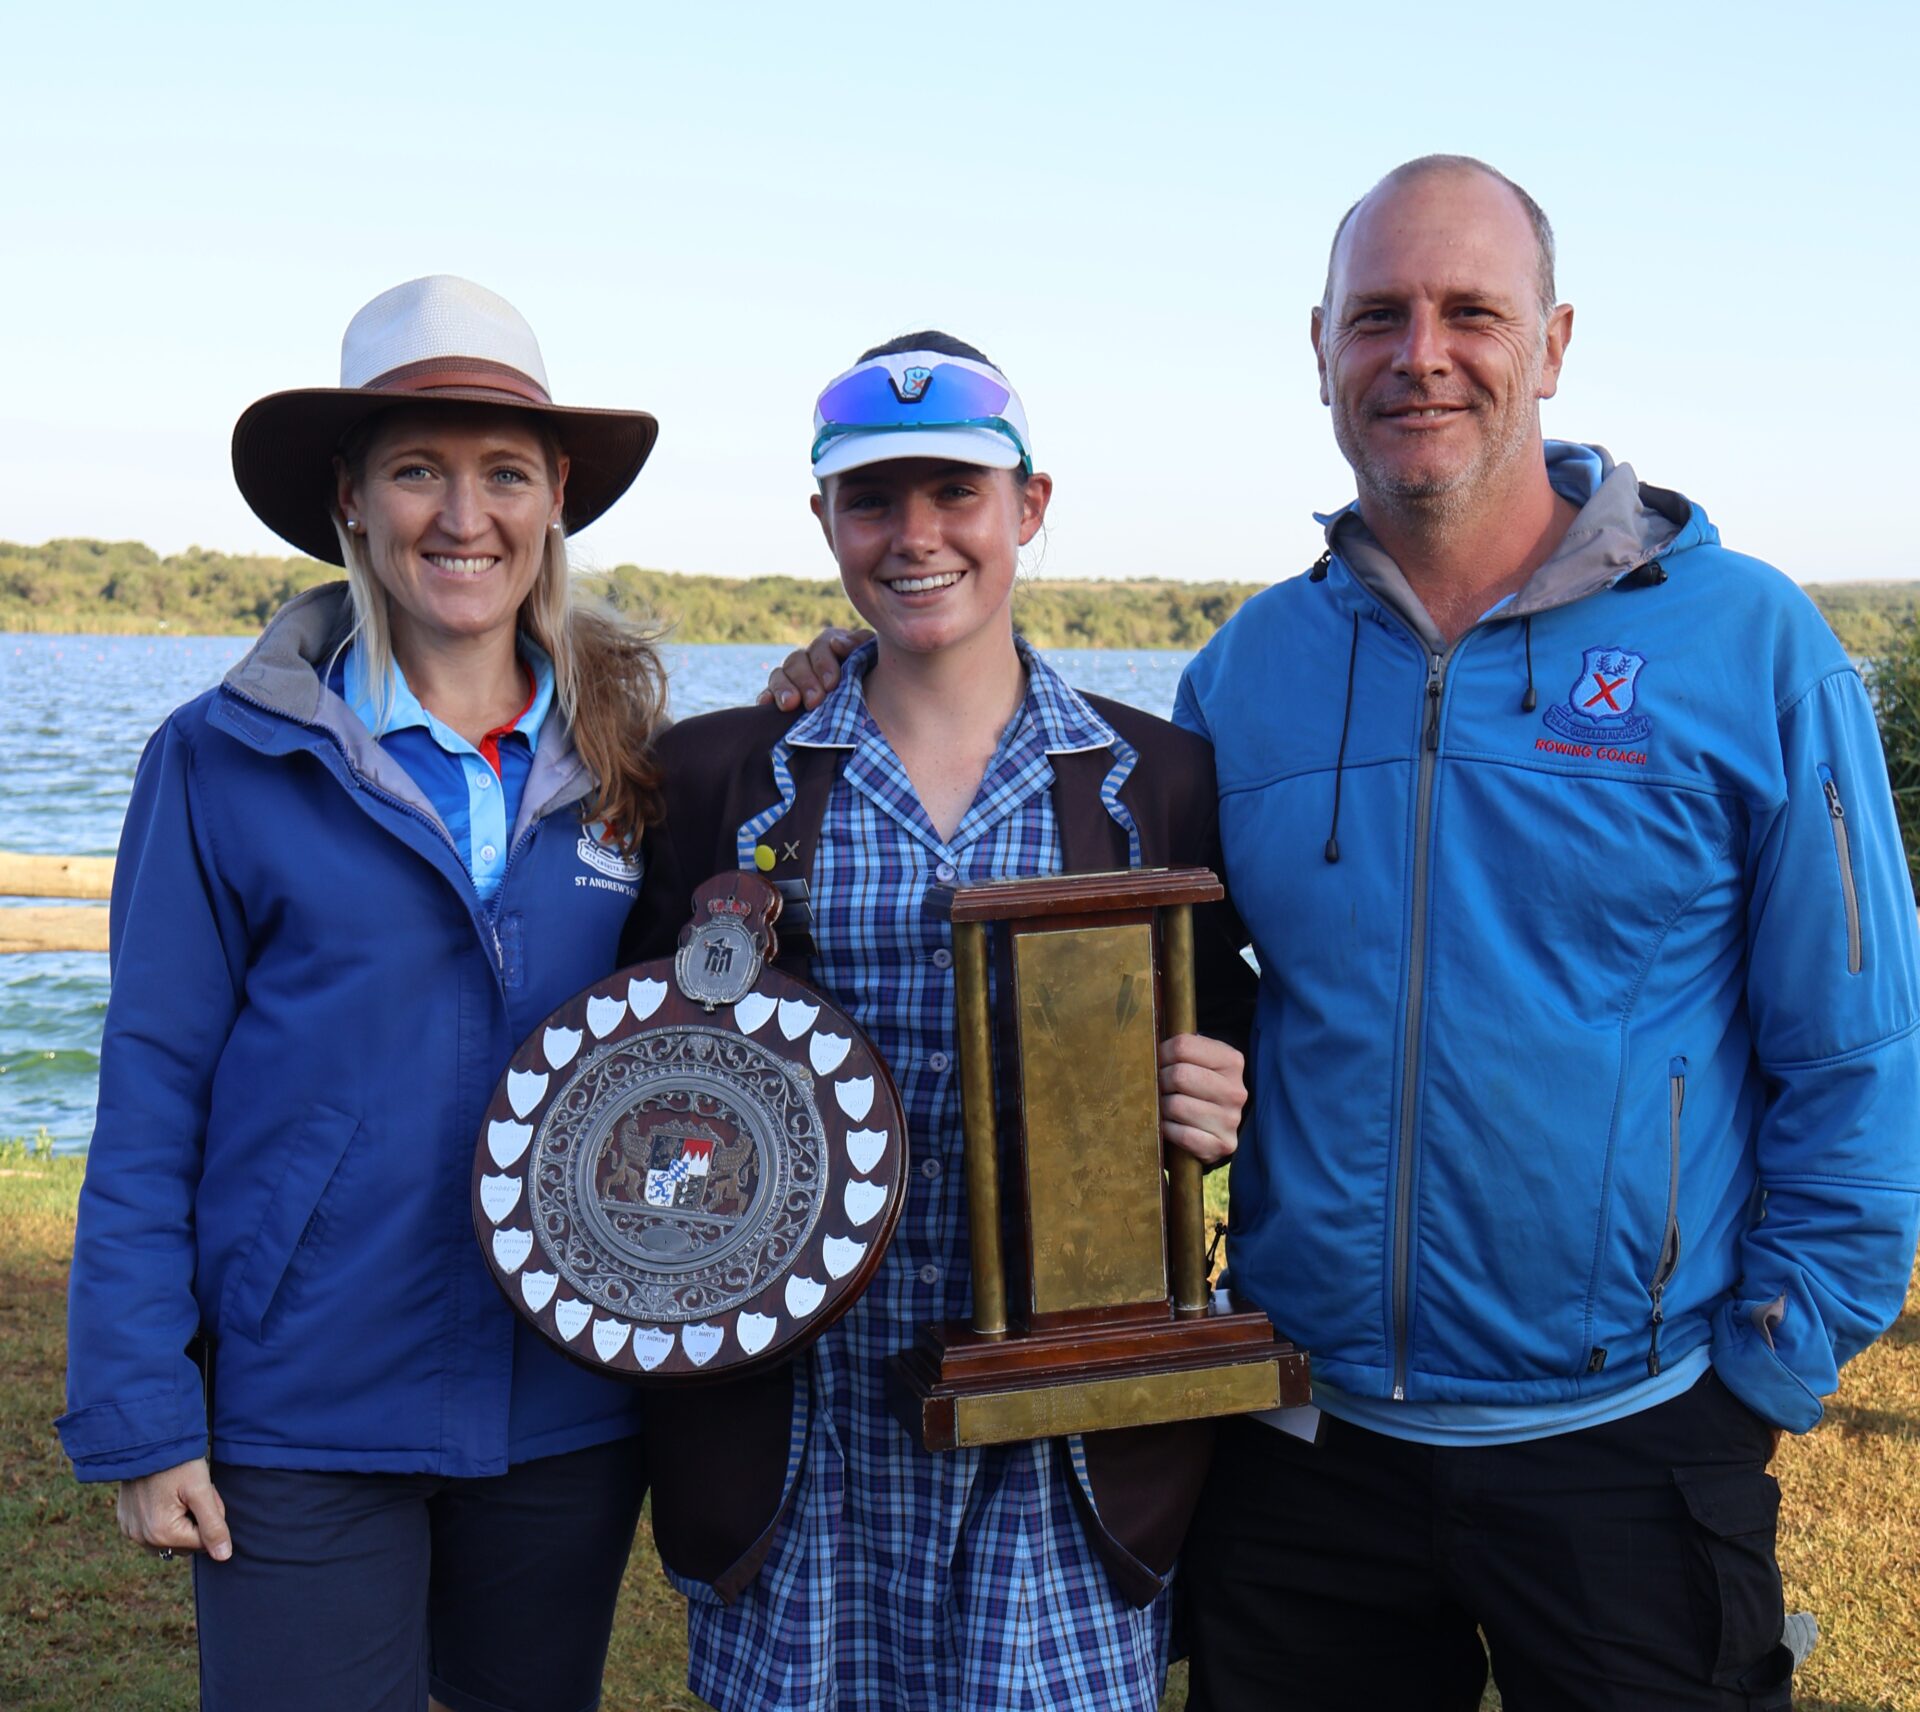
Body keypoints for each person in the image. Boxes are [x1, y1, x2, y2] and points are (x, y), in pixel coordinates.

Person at [1166, 158, 1920, 1709]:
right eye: (1378, 315)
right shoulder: (1248, 673)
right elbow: (1195, 988)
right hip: (1311, 1454)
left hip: (1635, 1448)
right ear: (1318, 346)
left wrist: (1767, 1369)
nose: (1420, 353)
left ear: (1554, 344)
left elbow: (1856, 1042)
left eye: (1470, 313)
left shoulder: (1748, 646)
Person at [58, 275, 668, 1712]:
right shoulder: (219, 763)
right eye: (417, 471)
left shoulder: (635, 764)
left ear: (555, 497)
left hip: (565, 1401)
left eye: (502, 473)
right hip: (304, 1401)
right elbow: (150, 1099)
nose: (463, 517)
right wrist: (145, 1411)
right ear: (349, 497)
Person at [624, 333, 1258, 1711]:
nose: (917, 536)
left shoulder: (1158, 781)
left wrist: (1221, 1095)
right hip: (800, 1430)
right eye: (873, 501)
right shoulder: (722, 778)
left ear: (1030, 508)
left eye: (957, 494)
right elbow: (634, 1067)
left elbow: (1237, 1030)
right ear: (823, 525)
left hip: (1058, 1432)